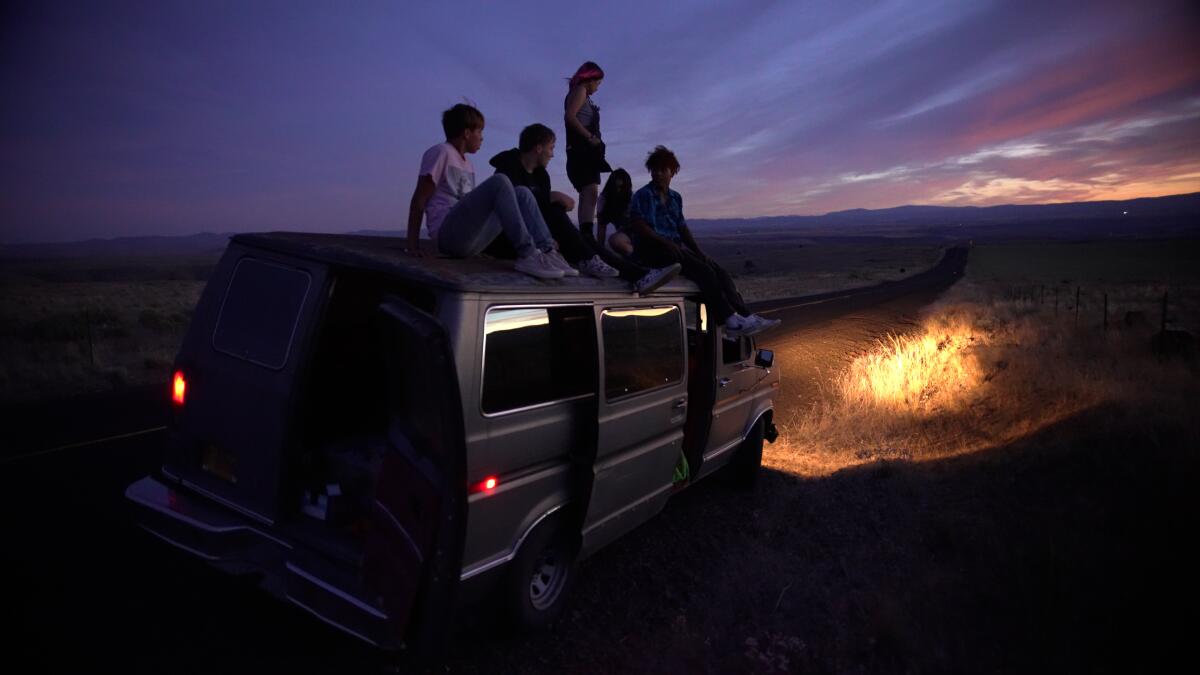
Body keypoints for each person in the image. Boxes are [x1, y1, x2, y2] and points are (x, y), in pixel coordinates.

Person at [487, 124, 682, 294]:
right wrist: (551, 197)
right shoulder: (508, 167)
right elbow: (512, 208)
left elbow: (540, 213)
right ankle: (591, 260)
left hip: (540, 240)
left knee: (584, 239)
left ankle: (639, 275)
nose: (553, 153)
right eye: (551, 147)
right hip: (511, 240)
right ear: (538, 148)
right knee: (556, 209)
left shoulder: (541, 176)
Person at [626, 146, 781, 338]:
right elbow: (638, 224)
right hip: (652, 249)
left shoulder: (675, 198)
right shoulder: (643, 195)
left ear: (672, 172)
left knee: (718, 271)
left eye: (662, 169)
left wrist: (699, 252)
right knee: (704, 272)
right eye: (655, 170)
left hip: (673, 248)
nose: (658, 173)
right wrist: (664, 242)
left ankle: (746, 316)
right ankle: (730, 320)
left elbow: (682, 228)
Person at [405, 103, 572, 280]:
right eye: (480, 132)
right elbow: (419, 200)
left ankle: (548, 251)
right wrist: (412, 245)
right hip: (448, 236)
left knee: (522, 192)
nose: (482, 138)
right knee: (500, 181)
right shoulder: (441, 152)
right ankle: (527, 254)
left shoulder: (467, 164)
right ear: (467, 133)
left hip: (468, 243)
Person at [564, 61, 611, 235]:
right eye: (597, 83)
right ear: (589, 79)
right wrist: (590, 137)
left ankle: (585, 238)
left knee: (587, 193)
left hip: (582, 151)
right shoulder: (580, 90)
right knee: (590, 190)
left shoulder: (581, 93)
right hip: (582, 151)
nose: (598, 88)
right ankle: (587, 238)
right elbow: (569, 117)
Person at [597, 169, 635, 256]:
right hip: (625, 235)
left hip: (641, 233)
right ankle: (634, 259)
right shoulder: (603, 200)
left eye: (622, 187)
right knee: (615, 241)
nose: (619, 190)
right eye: (616, 186)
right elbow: (601, 227)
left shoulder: (633, 198)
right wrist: (601, 251)